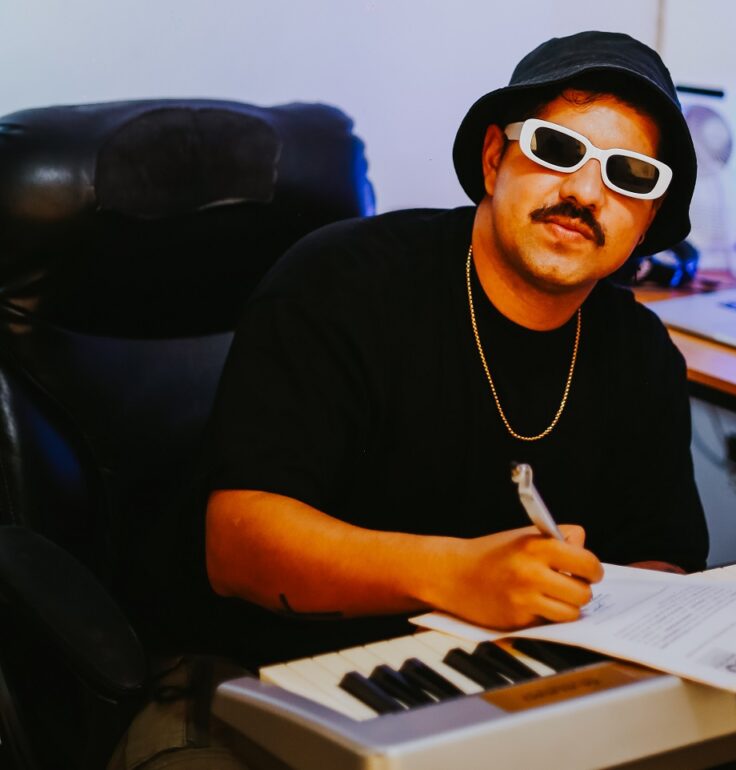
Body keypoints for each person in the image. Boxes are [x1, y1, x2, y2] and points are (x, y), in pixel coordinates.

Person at [199, 30, 708, 665]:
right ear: (494, 159)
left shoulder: (642, 353)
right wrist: (456, 574)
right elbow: (234, 551)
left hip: (528, 681)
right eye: (556, 149)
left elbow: (662, 562)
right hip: (294, 674)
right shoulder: (341, 283)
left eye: (629, 175)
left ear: (649, 219)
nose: (584, 192)